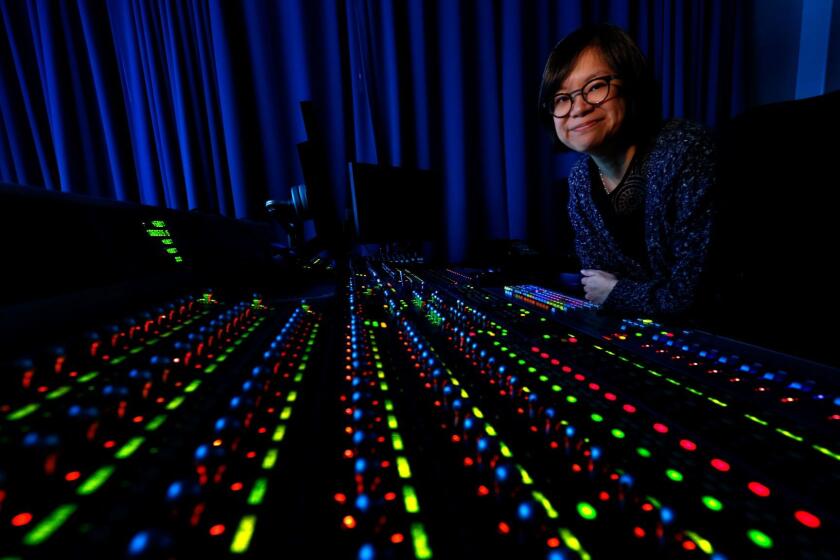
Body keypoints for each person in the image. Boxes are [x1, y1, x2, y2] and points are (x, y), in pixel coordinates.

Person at [538, 23, 716, 316]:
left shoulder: (686, 150)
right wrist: (616, 293)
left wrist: (617, 292)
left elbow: (694, 296)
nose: (578, 108)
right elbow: (595, 285)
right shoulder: (581, 179)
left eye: (595, 86)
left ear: (631, 86)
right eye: (561, 98)